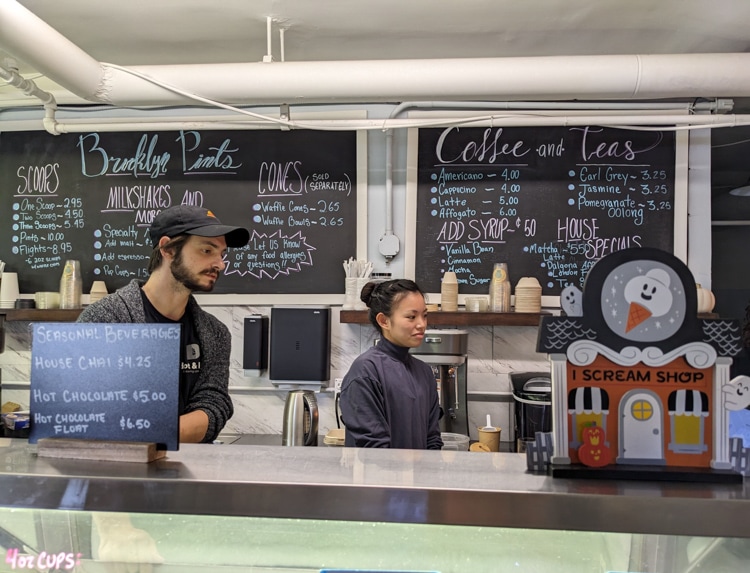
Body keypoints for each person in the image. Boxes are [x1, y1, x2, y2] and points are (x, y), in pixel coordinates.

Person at [78, 205, 250, 444]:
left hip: (188, 473)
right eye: (207, 250)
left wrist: (151, 436)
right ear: (168, 248)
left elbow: (213, 405)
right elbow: (85, 411)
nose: (219, 264)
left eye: (221, 254)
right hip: (114, 471)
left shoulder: (215, 333)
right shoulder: (104, 319)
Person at [339, 278, 443, 449]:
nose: (422, 324)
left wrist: (427, 472)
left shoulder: (424, 372)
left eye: (424, 315)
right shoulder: (365, 372)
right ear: (383, 321)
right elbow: (374, 448)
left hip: (419, 474)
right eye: (411, 317)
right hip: (378, 475)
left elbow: (432, 439)